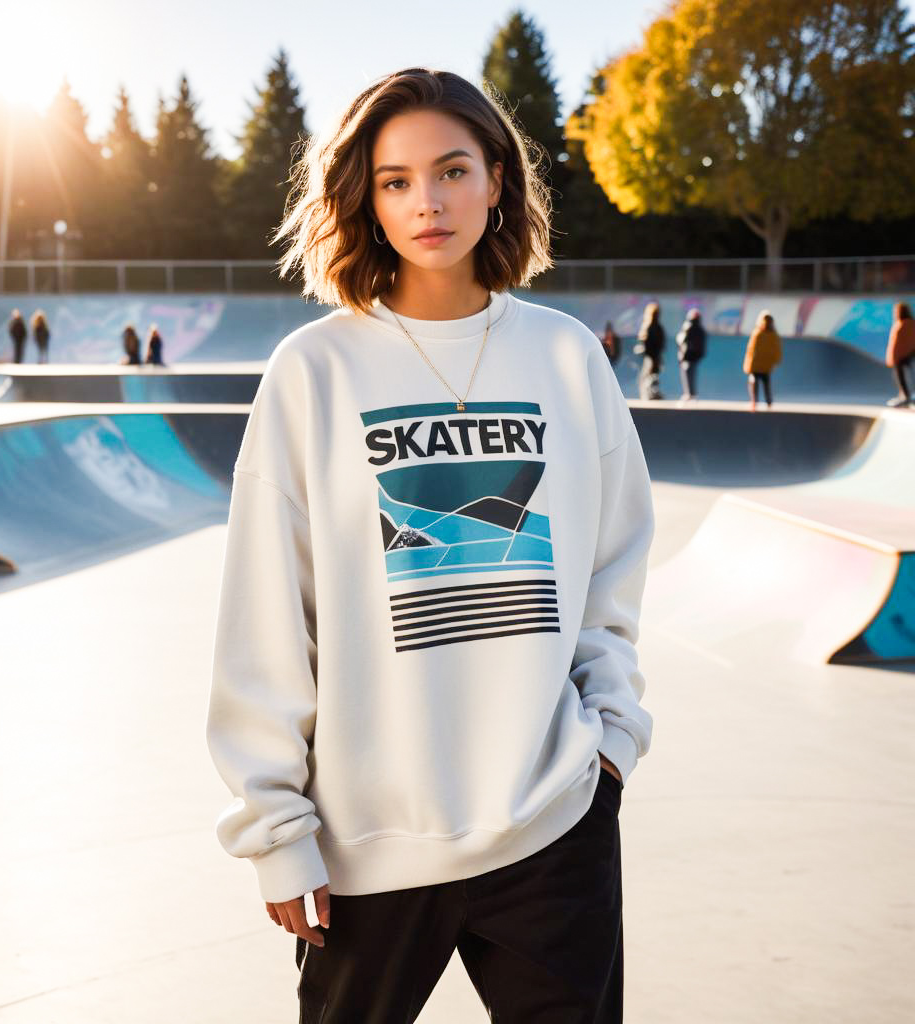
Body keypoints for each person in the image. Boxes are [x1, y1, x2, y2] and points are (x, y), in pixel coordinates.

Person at [205, 68, 656, 1023]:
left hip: (552, 824)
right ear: (364, 199)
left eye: (452, 170)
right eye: (394, 180)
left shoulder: (566, 357)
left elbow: (616, 559)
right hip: (368, 842)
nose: (428, 202)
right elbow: (266, 609)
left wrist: (609, 737)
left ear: (497, 178)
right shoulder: (315, 371)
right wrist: (276, 827)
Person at [743, 309, 782, 411]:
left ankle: (755, 402)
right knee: (765, 383)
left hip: (757, 364)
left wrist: (748, 364)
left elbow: (750, 349)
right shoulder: (773, 335)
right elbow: (777, 350)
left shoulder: (758, 333)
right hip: (765, 365)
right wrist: (776, 360)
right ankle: (767, 402)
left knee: (755, 382)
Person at [885, 301, 915, 407]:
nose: (895, 313)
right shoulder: (905, 323)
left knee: (904, 376)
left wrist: (895, 356)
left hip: (904, 355)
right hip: (904, 354)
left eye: (896, 311)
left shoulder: (905, 324)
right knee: (904, 376)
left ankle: (906, 396)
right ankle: (905, 395)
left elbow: (899, 342)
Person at [634, 301, 665, 399]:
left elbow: (647, 343)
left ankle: (648, 395)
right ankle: (651, 394)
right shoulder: (659, 328)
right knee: (652, 377)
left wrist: (643, 350)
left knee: (645, 378)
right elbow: (661, 344)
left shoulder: (649, 327)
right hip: (656, 357)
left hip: (650, 357)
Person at [675, 307, 706, 402]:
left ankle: (689, 393)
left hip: (687, 355)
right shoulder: (700, 329)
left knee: (687, 374)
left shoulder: (688, 327)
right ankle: (691, 393)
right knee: (691, 374)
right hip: (694, 355)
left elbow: (681, 340)